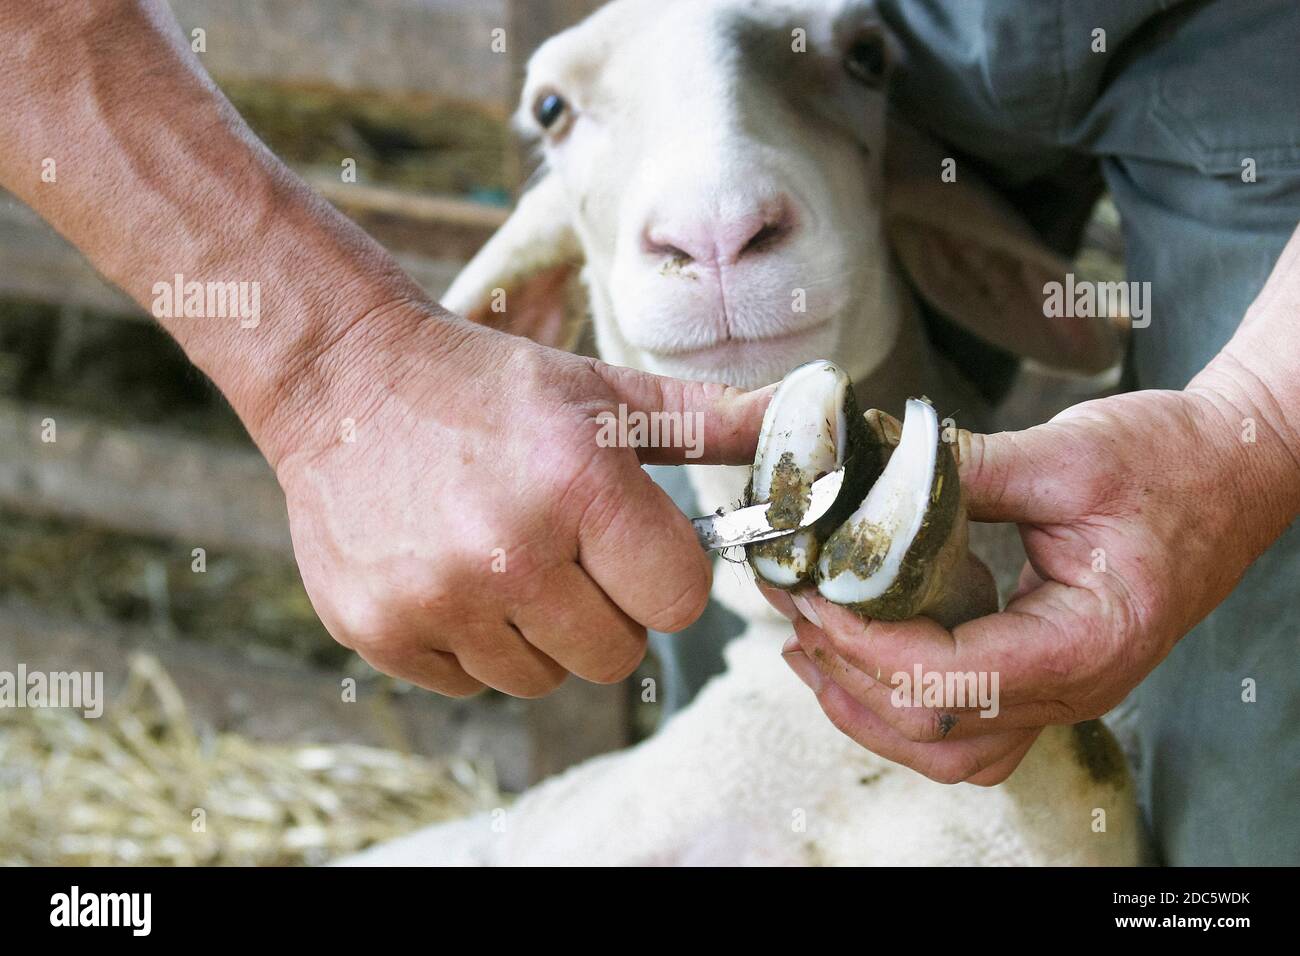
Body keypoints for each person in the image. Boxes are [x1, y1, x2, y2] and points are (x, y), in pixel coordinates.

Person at [2, 0, 1295, 866]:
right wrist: (334, 373)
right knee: (701, 529)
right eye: (550, 113)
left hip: (1229, 45)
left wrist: (1257, 424)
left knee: (1245, 762)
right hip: (798, 52)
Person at [766, 0, 1300, 865]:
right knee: (729, 569)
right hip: (867, 40)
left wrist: (1267, 422)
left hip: (1258, 48)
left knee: (1251, 711)